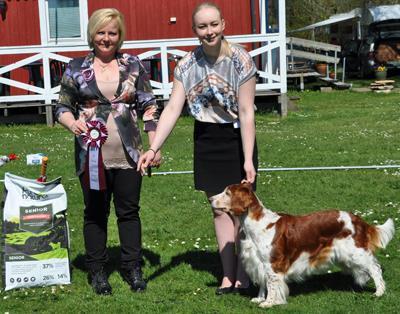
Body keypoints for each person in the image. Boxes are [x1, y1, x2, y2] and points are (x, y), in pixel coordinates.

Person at [138, 2, 258, 295]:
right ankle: (227, 276)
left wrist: (248, 159)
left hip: (237, 137)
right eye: (202, 27)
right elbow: (173, 110)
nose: (209, 31)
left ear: (223, 24)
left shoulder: (241, 60)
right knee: (219, 210)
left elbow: (246, 111)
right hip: (206, 138)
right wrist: (153, 148)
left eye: (214, 25)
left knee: (241, 210)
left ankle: (245, 275)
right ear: (195, 30)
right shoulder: (186, 65)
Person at [55, 8, 161, 295]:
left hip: (130, 154)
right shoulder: (75, 67)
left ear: (119, 36)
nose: (106, 38)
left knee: (129, 213)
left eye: (112, 33)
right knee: (95, 213)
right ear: (92, 34)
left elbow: (148, 106)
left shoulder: (133, 64)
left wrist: (154, 146)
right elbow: (62, 106)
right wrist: (73, 123)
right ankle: (98, 271)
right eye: (101, 32)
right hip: (91, 155)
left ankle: (132, 268)